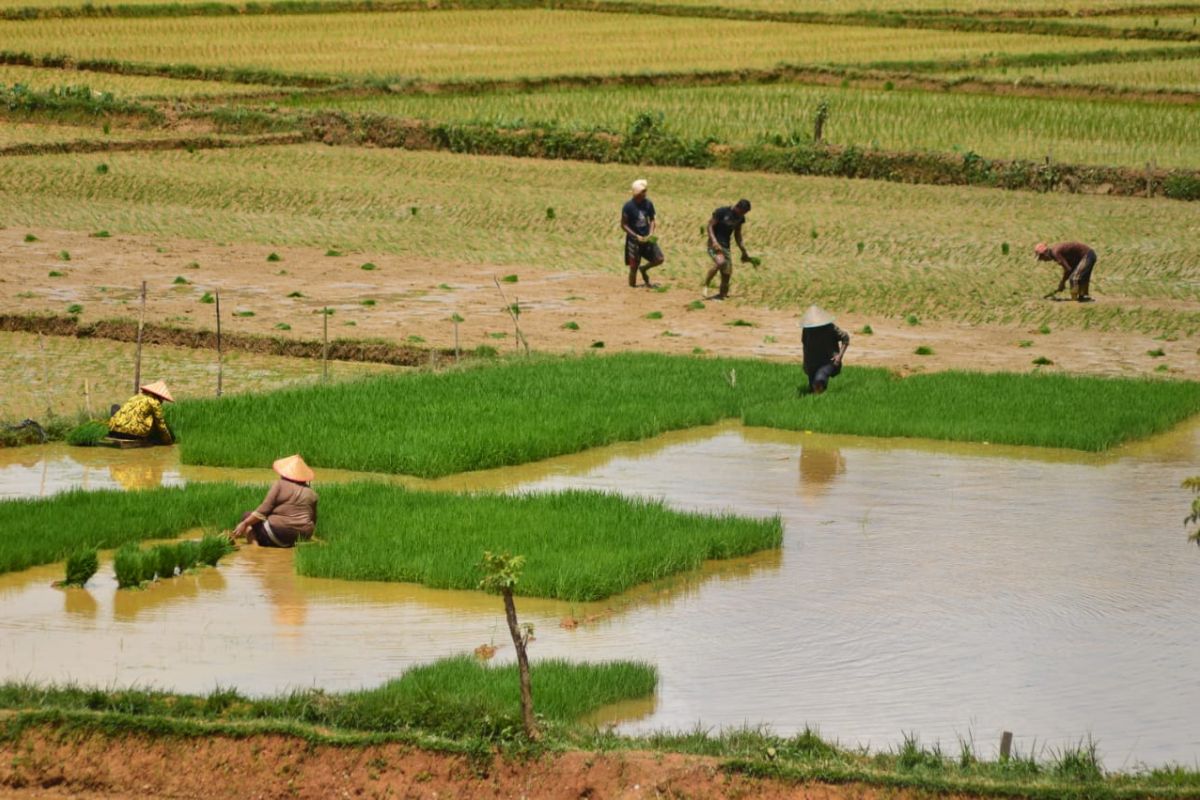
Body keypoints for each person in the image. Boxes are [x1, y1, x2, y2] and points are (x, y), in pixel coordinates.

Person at [231, 454, 318, 548]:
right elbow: (313, 519)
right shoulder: (312, 493)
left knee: (247, 516)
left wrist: (244, 524)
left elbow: (263, 510)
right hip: (302, 536)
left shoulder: (280, 485)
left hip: (279, 532)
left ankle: (255, 549)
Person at [704, 199, 753, 300]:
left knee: (727, 273)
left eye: (745, 213)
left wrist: (743, 251)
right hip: (714, 244)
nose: (743, 214)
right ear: (738, 207)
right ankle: (706, 284)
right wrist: (714, 241)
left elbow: (737, 234)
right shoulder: (722, 212)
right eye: (743, 212)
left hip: (726, 246)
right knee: (720, 262)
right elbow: (710, 226)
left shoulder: (740, 218)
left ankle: (721, 295)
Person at [621, 178, 664, 288]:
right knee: (633, 266)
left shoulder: (648, 204)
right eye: (643, 192)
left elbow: (652, 220)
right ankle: (632, 288)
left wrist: (650, 233)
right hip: (634, 240)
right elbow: (624, 225)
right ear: (637, 193)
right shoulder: (628, 206)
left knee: (659, 259)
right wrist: (636, 236)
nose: (645, 194)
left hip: (647, 237)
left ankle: (644, 268)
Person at [800, 305, 849, 395]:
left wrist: (839, 356)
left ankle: (819, 399)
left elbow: (845, 338)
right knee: (812, 388)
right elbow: (805, 346)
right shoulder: (807, 330)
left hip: (828, 361)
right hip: (812, 362)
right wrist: (806, 364)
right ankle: (816, 401)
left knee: (819, 380)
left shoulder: (830, 328)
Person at [107, 381, 174, 445]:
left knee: (115, 407)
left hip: (116, 431)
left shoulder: (135, 397)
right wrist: (168, 441)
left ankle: (113, 431)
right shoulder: (154, 402)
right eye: (162, 399)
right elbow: (160, 424)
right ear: (159, 396)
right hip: (134, 434)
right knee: (157, 420)